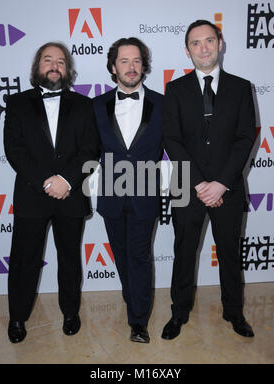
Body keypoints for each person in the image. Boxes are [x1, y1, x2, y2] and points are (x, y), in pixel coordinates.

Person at [162, 20, 256, 340]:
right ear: (187, 50)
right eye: (196, 43)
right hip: (189, 187)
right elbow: (171, 140)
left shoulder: (242, 87)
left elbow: (245, 139)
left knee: (229, 253)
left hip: (227, 189)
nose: (203, 48)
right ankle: (179, 313)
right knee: (184, 252)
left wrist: (221, 183)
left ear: (220, 43)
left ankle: (234, 312)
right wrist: (201, 184)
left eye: (209, 41)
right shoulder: (174, 89)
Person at [4, 42, 100, 343]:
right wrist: (47, 180)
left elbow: (90, 149)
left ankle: (70, 312)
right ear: (38, 66)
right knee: (24, 260)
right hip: (32, 195)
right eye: (48, 60)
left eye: (60, 61)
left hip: (71, 195)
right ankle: (17, 317)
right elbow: (14, 150)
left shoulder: (85, 105)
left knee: (70, 257)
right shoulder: (18, 103)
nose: (54, 65)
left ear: (67, 69)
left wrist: (66, 181)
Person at [92, 37, 163, 343]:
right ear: (113, 66)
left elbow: (177, 145)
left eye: (136, 61)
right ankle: (130, 297)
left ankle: (138, 321)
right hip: (110, 193)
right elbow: (85, 148)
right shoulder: (96, 106)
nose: (131, 67)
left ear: (143, 65)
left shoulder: (163, 103)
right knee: (121, 255)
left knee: (139, 255)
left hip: (146, 193)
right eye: (124, 61)